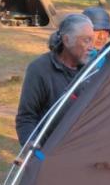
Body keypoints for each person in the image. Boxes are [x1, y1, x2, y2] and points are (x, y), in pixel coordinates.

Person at [15, 13, 95, 146]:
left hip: (83, 147)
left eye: (93, 40)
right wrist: (32, 145)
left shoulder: (92, 70)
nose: (92, 47)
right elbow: (26, 117)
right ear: (67, 40)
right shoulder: (40, 69)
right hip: (49, 149)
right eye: (86, 40)